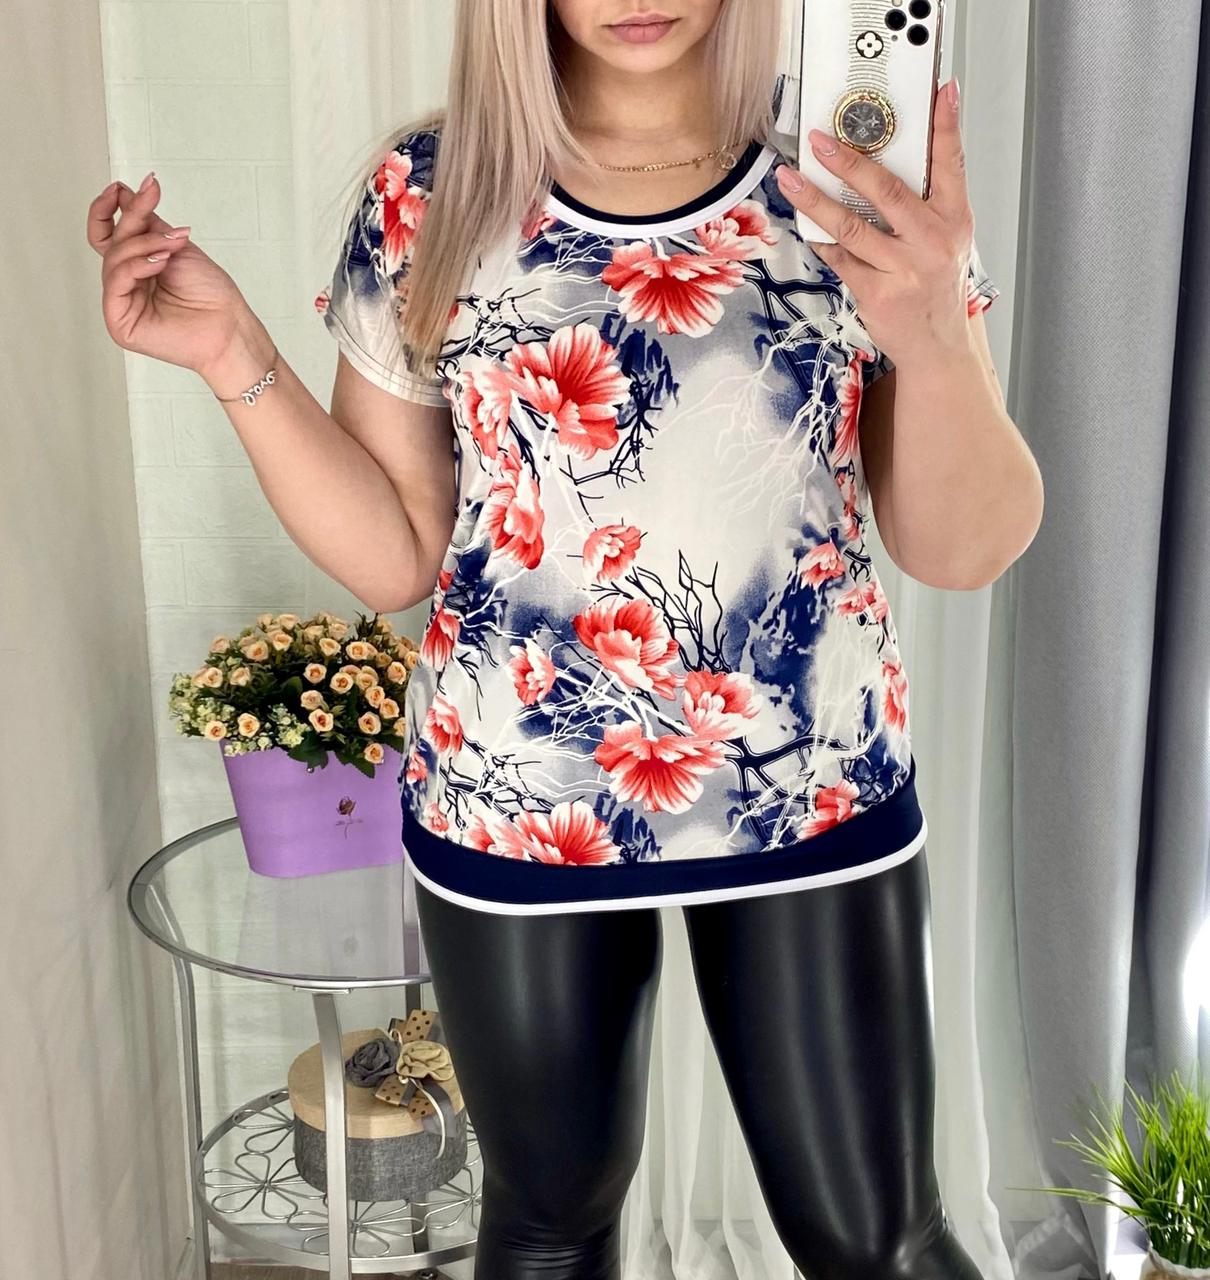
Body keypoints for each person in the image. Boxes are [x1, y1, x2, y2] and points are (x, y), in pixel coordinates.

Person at [88, 1, 1043, 1276]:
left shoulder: (844, 180)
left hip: (809, 787)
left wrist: (932, 327)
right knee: (549, 1222)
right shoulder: (430, 192)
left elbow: (965, 547)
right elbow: (396, 551)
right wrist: (231, 352)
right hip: (516, 797)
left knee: (880, 1238)